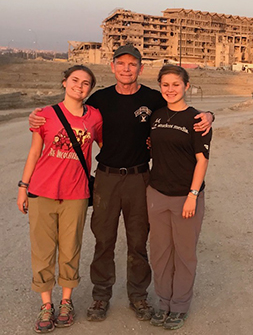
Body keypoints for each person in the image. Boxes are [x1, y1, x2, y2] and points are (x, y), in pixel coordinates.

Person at [28, 44, 214, 322]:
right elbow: (72, 111)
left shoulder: (154, 98)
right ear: (112, 67)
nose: (127, 69)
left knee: (138, 241)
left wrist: (210, 116)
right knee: (104, 240)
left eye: (133, 64)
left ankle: (138, 296)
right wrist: (38, 115)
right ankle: (101, 296)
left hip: (140, 178)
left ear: (140, 68)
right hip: (106, 178)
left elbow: (183, 110)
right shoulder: (100, 99)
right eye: (121, 63)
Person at [18, 65, 102, 333]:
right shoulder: (45, 115)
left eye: (86, 83)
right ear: (64, 82)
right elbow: (34, 152)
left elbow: (110, 145)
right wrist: (23, 186)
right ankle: (46, 304)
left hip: (76, 194)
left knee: (70, 248)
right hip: (42, 191)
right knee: (42, 250)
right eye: (75, 80)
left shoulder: (95, 117)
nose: (80, 86)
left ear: (90, 89)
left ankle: (66, 302)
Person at [146, 65, 211, 330]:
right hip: (157, 194)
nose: (170, 89)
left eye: (175, 84)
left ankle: (180, 306)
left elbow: (202, 161)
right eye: (165, 84)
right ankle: (163, 302)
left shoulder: (197, 119)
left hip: (186, 196)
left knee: (184, 254)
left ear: (186, 85)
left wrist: (192, 196)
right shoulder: (156, 116)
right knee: (160, 253)